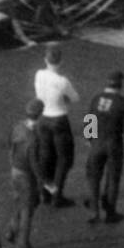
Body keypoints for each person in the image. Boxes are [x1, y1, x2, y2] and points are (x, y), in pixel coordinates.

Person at [83, 71, 124, 224]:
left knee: (94, 177)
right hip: (114, 144)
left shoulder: (96, 98)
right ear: (120, 85)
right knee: (112, 178)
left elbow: (89, 118)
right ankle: (110, 212)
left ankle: (94, 211)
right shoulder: (123, 102)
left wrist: (88, 137)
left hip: (96, 143)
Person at [34, 44, 78, 208]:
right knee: (64, 159)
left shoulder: (38, 74)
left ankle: (44, 192)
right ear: (60, 62)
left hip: (43, 119)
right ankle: (57, 196)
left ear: (45, 60)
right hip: (59, 119)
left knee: (46, 156)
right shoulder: (62, 81)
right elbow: (74, 98)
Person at [7, 100, 44, 248]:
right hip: (27, 175)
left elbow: (10, 144)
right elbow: (34, 163)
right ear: (40, 114)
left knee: (19, 203)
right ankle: (23, 247)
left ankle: (12, 231)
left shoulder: (17, 127)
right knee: (28, 210)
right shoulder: (33, 138)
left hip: (15, 171)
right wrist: (43, 181)